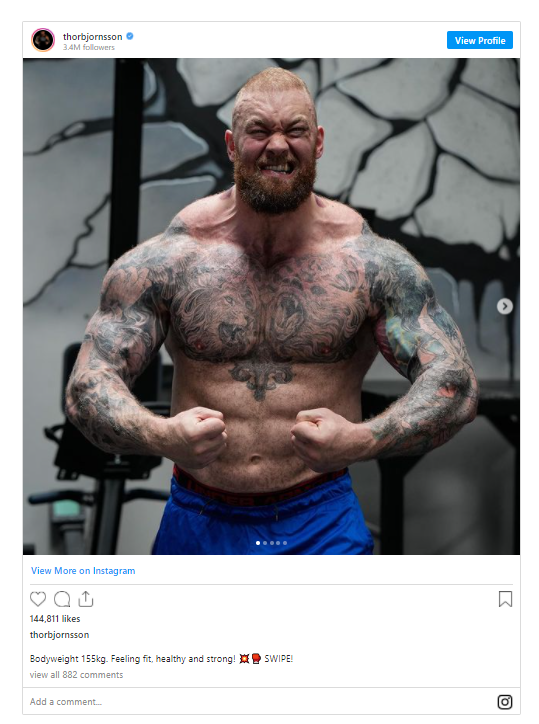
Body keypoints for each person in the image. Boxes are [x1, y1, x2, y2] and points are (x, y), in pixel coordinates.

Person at [65, 68, 478, 555]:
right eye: (259, 130)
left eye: (295, 130)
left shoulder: (371, 264)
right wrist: (162, 435)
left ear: (318, 142)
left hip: (321, 519)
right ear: (231, 144)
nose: (278, 146)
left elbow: (455, 384)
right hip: (199, 518)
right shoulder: (170, 261)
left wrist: (364, 440)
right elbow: (86, 388)